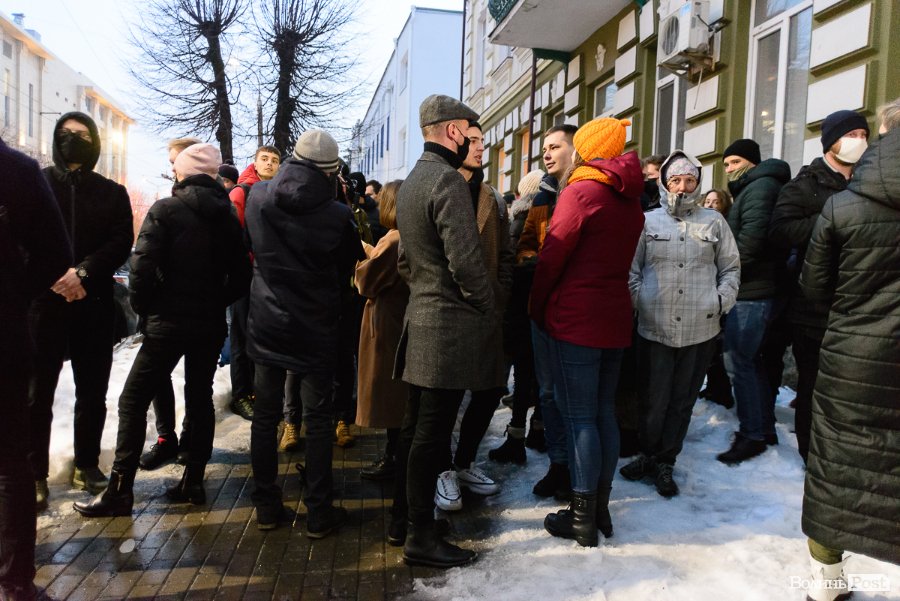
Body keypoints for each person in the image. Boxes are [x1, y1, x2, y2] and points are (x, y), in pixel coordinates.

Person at [73, 143, 251, 518]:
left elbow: (140, 269)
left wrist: (147, 308)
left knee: (133, 400)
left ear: (183, 173)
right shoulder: (227, 217)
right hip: (208, 324)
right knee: (200, 397)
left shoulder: (165, 210)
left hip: (166, 325)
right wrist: (214, 301)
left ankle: (120, 490)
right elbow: (241, 275)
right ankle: (193, 481)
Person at [797, 103, 899, 601]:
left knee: (838, 468)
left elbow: (814, 290)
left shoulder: (842, 207)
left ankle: (827, 584)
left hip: (853, 358)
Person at [530, 117, 644, 546]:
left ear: (587, 150)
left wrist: (537, 306)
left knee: (580, 417)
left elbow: (552, 256)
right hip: (613, 316)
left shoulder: (581, 191)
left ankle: (581, 517)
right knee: (603, 413)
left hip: (576, 317)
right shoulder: (628, 197)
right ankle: (600, 509)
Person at [244, 130, 363, 535]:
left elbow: (249, 245)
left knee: (265, 417)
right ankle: (318, 510)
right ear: (330, 172)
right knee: (318, 418)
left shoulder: (258, 197)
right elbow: (348, 264)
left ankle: (266, 506)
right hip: (315, 325)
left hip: (267, 321)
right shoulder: (337, 215)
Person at [390, 94, 487, 568]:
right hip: (446, 329)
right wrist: (485, 304)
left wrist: (427, 292)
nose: (473, 140)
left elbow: (406, 261)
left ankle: (407, 521)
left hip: (421, 321)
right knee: (431, 436)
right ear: (453, 131)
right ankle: (420, 536)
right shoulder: (447, 179)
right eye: (470, 132)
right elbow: (466, 263)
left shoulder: (414, 179)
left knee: (415, 432)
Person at [622, 151, 740, 498]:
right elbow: (631, 270)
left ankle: (666, 460)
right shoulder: (647, 222)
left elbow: (731, 268)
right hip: (655, 326)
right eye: (676, 180)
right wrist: (640, 301)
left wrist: (719, 301)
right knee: (653, 399)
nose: (683, 186)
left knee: (682, 400)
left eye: (690, 180)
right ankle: (648, 453)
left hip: (700, 329)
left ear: (698, 183)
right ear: (664, 183)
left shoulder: (714, 222)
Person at [29, 112, 133, 503]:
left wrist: (83, 274)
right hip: (44, 303)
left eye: (82, 134)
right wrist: (57, 276)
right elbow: (19, 238)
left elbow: (120, 241)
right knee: (36, 392)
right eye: (65, 133)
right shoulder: (35, 184)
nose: (73, 139)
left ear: (95, 142)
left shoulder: (112, 192)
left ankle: (86, 463)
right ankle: (34, 473)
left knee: (92, 390)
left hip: (94, 302)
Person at [768, 109, 869, 464]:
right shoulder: (805, 185)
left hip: (858, 305)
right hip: (813, 308)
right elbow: (779, 232)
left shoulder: (868, 180)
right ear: (830, 143)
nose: (859, 141)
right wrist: (832, 216)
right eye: (851, 135)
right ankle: (811, 458)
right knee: (813, 386)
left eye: (863, 134)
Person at [0, 136, 72, 601]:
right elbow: (54, 254)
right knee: (9, 460)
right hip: (4, 333)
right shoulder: (18, 170)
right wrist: (12, 294)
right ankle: (15, 583)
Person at [432, 120, 514, 512]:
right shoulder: (438, 188)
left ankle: (464, 462)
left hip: (487, 313)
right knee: (445, 400)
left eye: (484, 140)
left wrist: (500, 292)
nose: (481, 147)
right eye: (474, 140)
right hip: (447, 314)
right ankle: (442, 469)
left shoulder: (491, 198)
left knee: (489, 391)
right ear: (455, 141)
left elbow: (507, 254)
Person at [715, 138, 790, 465]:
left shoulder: (759, 188)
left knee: (739, 362)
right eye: (726, 164)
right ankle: (762, 428)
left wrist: (722, 270)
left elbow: (750, 243)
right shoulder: (754, 187)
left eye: (735, 162)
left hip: (752, 291)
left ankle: (752, 434)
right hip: (754, 288)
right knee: (750, 361)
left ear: (752, 162)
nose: (730, 169)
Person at [517, 124, 578, 501]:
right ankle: (558, 464)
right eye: (544, 148)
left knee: (575, 397)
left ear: (574, 149)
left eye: (555, 146)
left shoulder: (585, 191)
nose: (546, 153)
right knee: (549, 393)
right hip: (541, 309)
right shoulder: (542, 195)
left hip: (575, 312)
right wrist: (537, 261)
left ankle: (577, 471)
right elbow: (524, 244)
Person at [139, 136, 202, 472]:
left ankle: (188, 442)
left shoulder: (212, 207)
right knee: (160, 377)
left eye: (176, 161)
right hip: (167, 310)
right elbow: (145, 262)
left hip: (191, 311)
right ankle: (168, 438)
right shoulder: (167, 204)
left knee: (196, 383)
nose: (173, 168)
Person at [490, 168, 546, 464]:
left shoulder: (521, 220)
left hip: (519, 310)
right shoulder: (547, 216)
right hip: (540, 308)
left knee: (523, 378)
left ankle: (516, 437)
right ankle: (537, 430)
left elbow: (513, 267)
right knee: (538, 377)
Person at [356, 181, 408, 482]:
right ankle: (394, 454)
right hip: (397, 317)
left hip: (387, 321)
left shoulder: (394, 239)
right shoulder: (407, 236)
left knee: (390, 393)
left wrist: (360, 255)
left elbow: (368, 282)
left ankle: (393, 457)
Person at [228, 145, 283, 422]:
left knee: (262, 335)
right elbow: (232, 235)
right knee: (241, 335)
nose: (270, 164)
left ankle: (259, 392)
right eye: (265, 159)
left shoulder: (279, 191)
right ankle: (241, 394)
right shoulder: (242, 192)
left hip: (269, 276)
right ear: (255, 162)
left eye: (274, 160)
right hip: (245, 275)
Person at [696, 187, 736, 409]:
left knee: (718, 347)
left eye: (716, 202)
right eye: (708, 201)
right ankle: (713, 387)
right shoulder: (700, 225)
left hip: (719, 294)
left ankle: (721, 390)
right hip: (704, 293)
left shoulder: (725, 228)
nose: (710, 205)